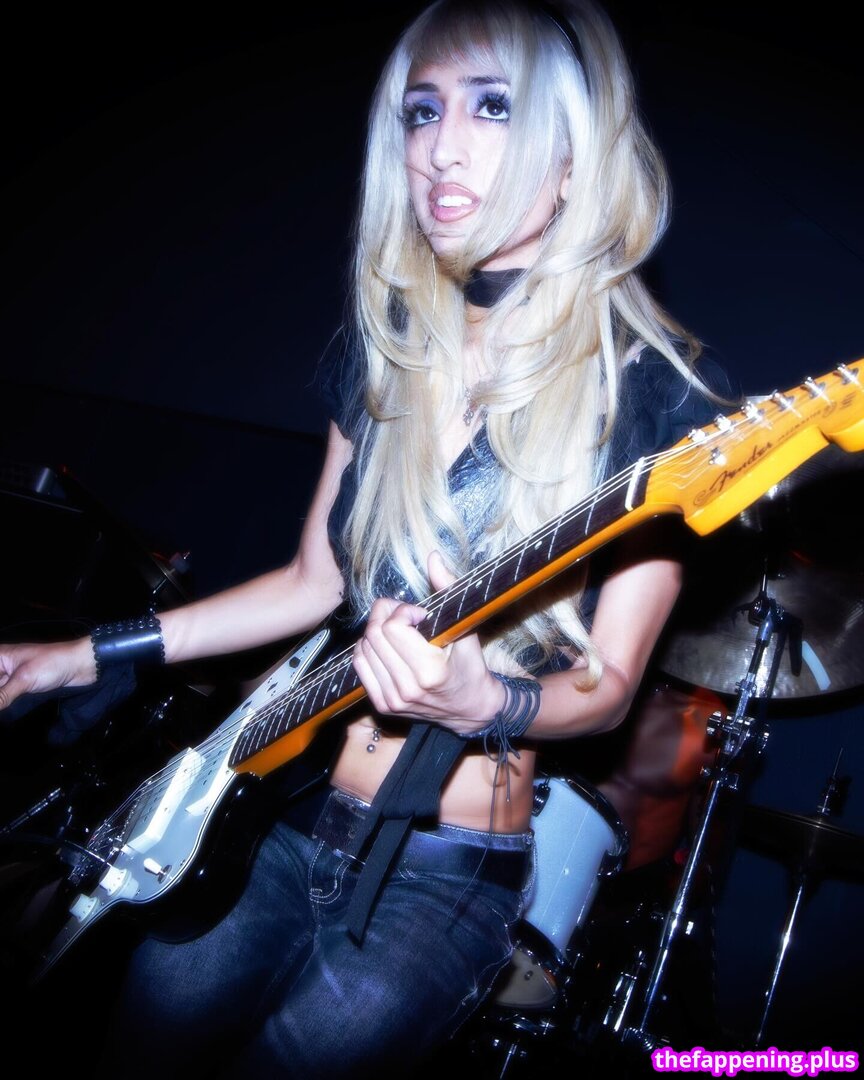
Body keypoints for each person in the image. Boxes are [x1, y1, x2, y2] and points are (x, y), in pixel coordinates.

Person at [0, 1, 733, 1075]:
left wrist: (489, 704)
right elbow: (311, 582)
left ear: (575, 156)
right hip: (277, 818)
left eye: (492, 107)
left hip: (448, 877)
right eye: (421, 111)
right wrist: (83, 653)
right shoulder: (389, 352)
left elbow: (611, 685)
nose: (441, 147)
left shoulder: (658, 396)